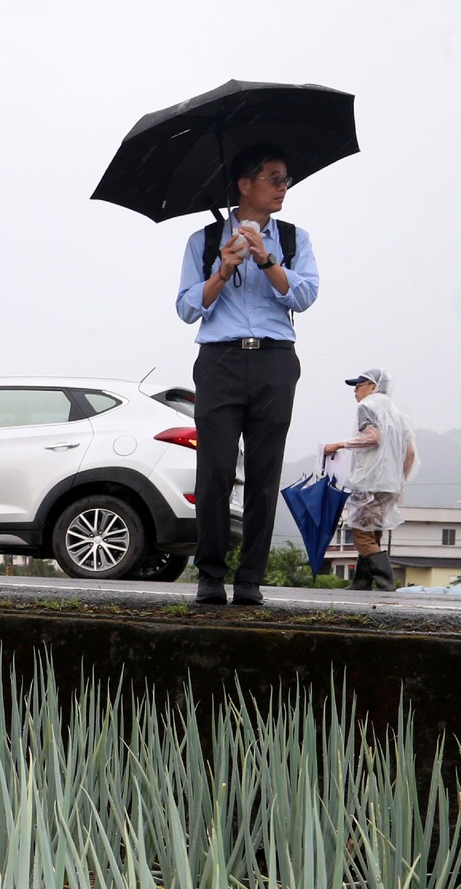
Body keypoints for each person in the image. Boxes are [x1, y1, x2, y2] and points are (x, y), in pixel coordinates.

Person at [175, 143, 321, 606]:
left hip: (276, 360)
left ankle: (251, 580)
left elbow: (305, 296)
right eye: (275, 178)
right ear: (245, 184)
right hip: (220, 361)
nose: (284, 187)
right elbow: (185, 307)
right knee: (215, 470)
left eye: (286, 179)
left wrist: (265, 258)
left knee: (263, 475)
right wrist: (222, 270)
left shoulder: (294, 239)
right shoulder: (204, 240)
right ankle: (211, 575)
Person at [323, 367, 416, 592]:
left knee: (362, 534)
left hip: (370, 480)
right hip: (390, 483)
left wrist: (339, 444)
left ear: (373, 387)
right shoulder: (397, 414)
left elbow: (372, 437)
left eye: (359, 385)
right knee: (373, 530)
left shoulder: (367, 406)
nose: (355, 390)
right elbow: (410, 452)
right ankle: (362, 582)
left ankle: (386, 583)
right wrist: (400, 481)